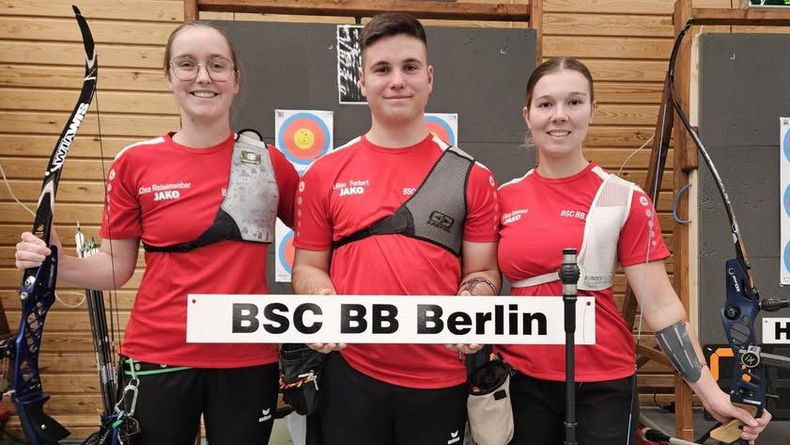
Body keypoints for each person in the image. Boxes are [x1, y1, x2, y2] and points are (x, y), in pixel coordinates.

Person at [14, 22, 299, 445]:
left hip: (246, 354)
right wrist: (55, 261)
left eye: (217, 65)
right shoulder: (136, 162)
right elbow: (115, 267)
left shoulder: (269, 162)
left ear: (236, 80)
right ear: (168, 76)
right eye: (187, 64)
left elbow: (320, 244)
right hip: (158, 354)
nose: (203, 76)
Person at [496, 57, 772, 445]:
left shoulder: (625, 199)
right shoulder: (502, 197)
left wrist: (710, 394)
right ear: (528, 115)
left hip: (603, 384)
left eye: (574, 102)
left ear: (592, 110)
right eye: (546, 104)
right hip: (520, 381)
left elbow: (660, 308)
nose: (559, 115)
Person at [291, 12, 500, 445]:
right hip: (350, 374)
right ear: (362, 81)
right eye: (382, 69)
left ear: (429, 77)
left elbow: (484, 272)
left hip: (439, 376)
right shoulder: (325, 171)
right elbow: (308, 267)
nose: (397, 81)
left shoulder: (471, 176)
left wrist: (473, 303)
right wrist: (321, 300)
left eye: (409, 67)